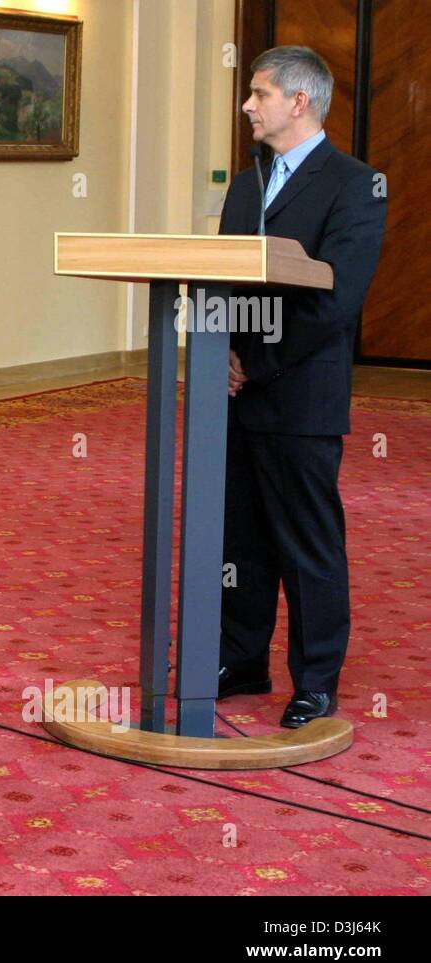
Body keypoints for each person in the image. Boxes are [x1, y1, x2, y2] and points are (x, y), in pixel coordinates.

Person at [218, 46, 386, 728]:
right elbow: (223, 278)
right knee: (239, 541)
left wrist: (256, 362)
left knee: (307, 544)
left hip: (299, 395)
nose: (248, 105)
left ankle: (316, 679)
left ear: (300, 102)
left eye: (259, 93)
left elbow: (334, 299)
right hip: (229, 393)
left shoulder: (355, 184)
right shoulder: (245, 183)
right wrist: (222, 351)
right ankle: (241, 657)